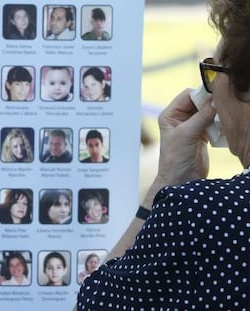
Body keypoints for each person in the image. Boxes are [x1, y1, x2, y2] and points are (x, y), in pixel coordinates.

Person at [77, 0, 250, 309]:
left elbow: (93, 304)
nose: (209, 92)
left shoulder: (203, 213)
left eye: (212, 74)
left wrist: (166, 182)